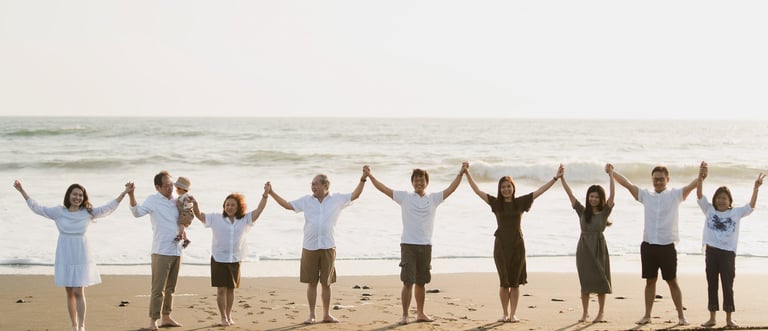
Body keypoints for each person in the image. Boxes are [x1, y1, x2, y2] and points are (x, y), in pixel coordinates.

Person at [13, 179, 133, 331]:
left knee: (78, 290)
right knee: (69, 292)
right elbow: (37, 208)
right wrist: (21, 190)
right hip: (64, 253)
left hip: (81, 253)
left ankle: (82, 325)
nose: (77, 197)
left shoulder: (88, 212)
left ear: (84, 198)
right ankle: (74, 325)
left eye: (80, 195)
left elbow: (108, 208)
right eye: (74, 194)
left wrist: (124, 193)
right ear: (69, 195)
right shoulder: (59, 212)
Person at [366, 163, 466, 325]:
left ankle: (420, 313)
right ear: (412, 182)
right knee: (408, 282)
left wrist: (461, 173)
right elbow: (384, 189)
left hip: (426, 246)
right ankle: (405, 315)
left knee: (421, 282)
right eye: (416, 180)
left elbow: (451, 189)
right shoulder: (405, 197)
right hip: (408, 245)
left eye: (422, 180)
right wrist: (370, 176)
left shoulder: (433, 199)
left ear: (427, 182)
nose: (419, 183)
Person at [464, 163, 563, 323]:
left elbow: (540, 191)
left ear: (513, 188)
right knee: (504, 282)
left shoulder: (520, 202)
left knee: (515, 283)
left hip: (517, 245)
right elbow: (477, 191)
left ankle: (513, 314)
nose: (506, 189)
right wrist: (467, 173)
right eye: (503, 187)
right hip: (501, 246)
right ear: (500, 189)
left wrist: (555, 178)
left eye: (508, 186)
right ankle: (504, 313)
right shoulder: (496, 203)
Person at [267, 169, 367, 324]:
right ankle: (312, 315)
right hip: (309, 246)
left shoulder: (337, 199)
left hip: (328, 246)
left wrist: (363, 178)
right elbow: (287, 205)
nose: (313, 187)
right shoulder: (306, 200)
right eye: (311, 184)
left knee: (326, 283)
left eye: (316, 184)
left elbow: (356, 195)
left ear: (325, 185)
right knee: (312, 283)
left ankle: (326, 314)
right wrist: (272, 192)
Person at [611, 163, 698, 326]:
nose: (658, 182)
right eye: (655, 179)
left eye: (661, 179)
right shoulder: (646, 195)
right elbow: (627, 185)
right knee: (650, 281)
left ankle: (681, 316)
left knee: (672, 281)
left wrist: (701, 176)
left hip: (667, 245)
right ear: (652, 180)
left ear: (667, 179)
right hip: (649, 245)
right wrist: (612, 172)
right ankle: (647, 316)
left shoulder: (675, 195)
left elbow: (691, 186)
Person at [189, 183, 270, 326]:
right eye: (227, 205)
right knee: (221, 290)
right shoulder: (216, 218)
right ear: (224, 206)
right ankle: (222, 317)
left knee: (231, 290)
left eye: (232, 205)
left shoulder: (244, 219)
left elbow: (259, 210)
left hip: (235, 259)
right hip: (218, 258)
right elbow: (200, 216)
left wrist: (265, 195)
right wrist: (195, 204)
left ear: (238, 207)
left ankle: (229, 315)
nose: (229, 207)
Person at [696, 162, 764, 328]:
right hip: (711, 252)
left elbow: (751, 206)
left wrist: (756, 188)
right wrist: (700, 178)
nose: (721, 201)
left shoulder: (735, 212)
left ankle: (728, 319)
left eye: (724, 198)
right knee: (712, 284)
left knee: (728, 285)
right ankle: (712, 318)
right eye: (718, 198)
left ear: (730, 201)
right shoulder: (709, 209)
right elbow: (699, 195)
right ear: (715, 199)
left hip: (727, 254)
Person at [128, 170, 184, 330]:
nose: (170, 188)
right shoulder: (152, 200)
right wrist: (131, 194)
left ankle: (166, 317)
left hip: (177, 249)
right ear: (157, 187)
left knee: (171, 288)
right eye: (166, 186)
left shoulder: (177, 200)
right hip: (161, 250)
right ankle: (153, 321)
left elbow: (186, 217)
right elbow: (137, 213)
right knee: (158, 289)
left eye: (171, 185)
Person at [559, 164, 615, 323]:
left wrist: (611, 175)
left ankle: (601, 313)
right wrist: (562, 178)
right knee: (585, 283)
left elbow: (612, 196)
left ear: (600, 199)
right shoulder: (582, 211)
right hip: (583, 248)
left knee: (601, 281)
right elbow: (570, 195)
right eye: (591, 196)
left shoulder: (605, 212)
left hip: (599, 247)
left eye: (596, 197)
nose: (593, 199)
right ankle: (585, 313)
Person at [173, 176, 193, 248]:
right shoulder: (181, 196)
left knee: (181, 224)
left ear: (184, 189)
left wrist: (189, 200)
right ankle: (186, 239)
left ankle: (180, 236)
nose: (176, 190)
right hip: (184, 213)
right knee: (181, 225)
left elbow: (189, 200)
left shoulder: (185, 196)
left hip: (186, 213)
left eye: (178, 188)